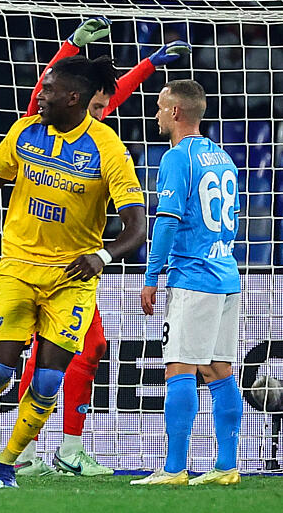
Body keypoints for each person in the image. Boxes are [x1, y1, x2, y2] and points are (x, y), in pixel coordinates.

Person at [0, 55, 147, 488]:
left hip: (71, 279)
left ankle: (6, 462)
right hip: (18, 268)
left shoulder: (108, 148)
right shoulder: (24, 131)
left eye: (48, 90)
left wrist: (103, 256)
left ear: (73, 98)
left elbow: (136, 225)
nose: (39, 96)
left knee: (49, 379)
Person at [15, 17, 191, 477]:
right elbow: (43, 90)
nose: (103, 112)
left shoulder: (90, 130)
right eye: (94, 105)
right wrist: (70, 46)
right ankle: (52, 452)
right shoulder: (42, 122)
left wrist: (149, 65)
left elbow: (113, 94)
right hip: (49, 260)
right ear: (71, 98)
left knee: (70, 349)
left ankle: (36, 452)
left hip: (67, 260)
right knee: (73, 348)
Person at [132, 80, 242, 486]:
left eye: (161, 107)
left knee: (179, 367)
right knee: (218, 370)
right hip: (226, 274)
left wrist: (151, 277)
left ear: (176, 112)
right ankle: (226, 467)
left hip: (194, 279)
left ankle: (174, 468)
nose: (156, 114)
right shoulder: (223, 158)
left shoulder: (177, 158)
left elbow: (167, 221)